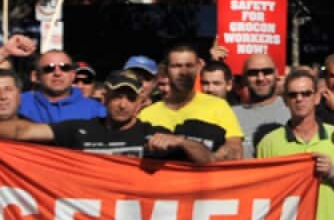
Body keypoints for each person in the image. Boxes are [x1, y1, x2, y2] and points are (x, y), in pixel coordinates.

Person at [0, 71, 212, 161]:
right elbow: (21, 130)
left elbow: (205, 160)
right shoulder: (80, 129)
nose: (122, 105)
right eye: (116, 97)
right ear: (104, 98)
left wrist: (182, 142)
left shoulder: (151, 134)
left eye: (130, 99)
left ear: (140, 103)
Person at [257, 69, 334, 220]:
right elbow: (259, 194)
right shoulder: (268, 143)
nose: (299, 99)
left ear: (317, 97)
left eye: (306, 93)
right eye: (293, 94)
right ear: (285, 100)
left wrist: (333, 173)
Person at [139, 44, 243, 160]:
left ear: (199, 67)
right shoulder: (146, 115)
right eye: (176, 66)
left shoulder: (218, 106)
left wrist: (189, 146)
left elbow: (235, 152)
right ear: (166, 69)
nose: (183, 72)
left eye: (189, 66)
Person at [19, 50, 106, 123]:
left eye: (65, 68)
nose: (57, 73)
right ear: (35, 76)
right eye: (49, 68)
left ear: (72, 75)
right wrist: (5, 52)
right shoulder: (18, 102)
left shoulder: (96, 109)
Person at [233, 54, 289, 157]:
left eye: (267, 72)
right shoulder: (230, 115)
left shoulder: (293, 110)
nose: (260, 78)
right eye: (253, 73)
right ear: (245, 78)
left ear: (276, 74)